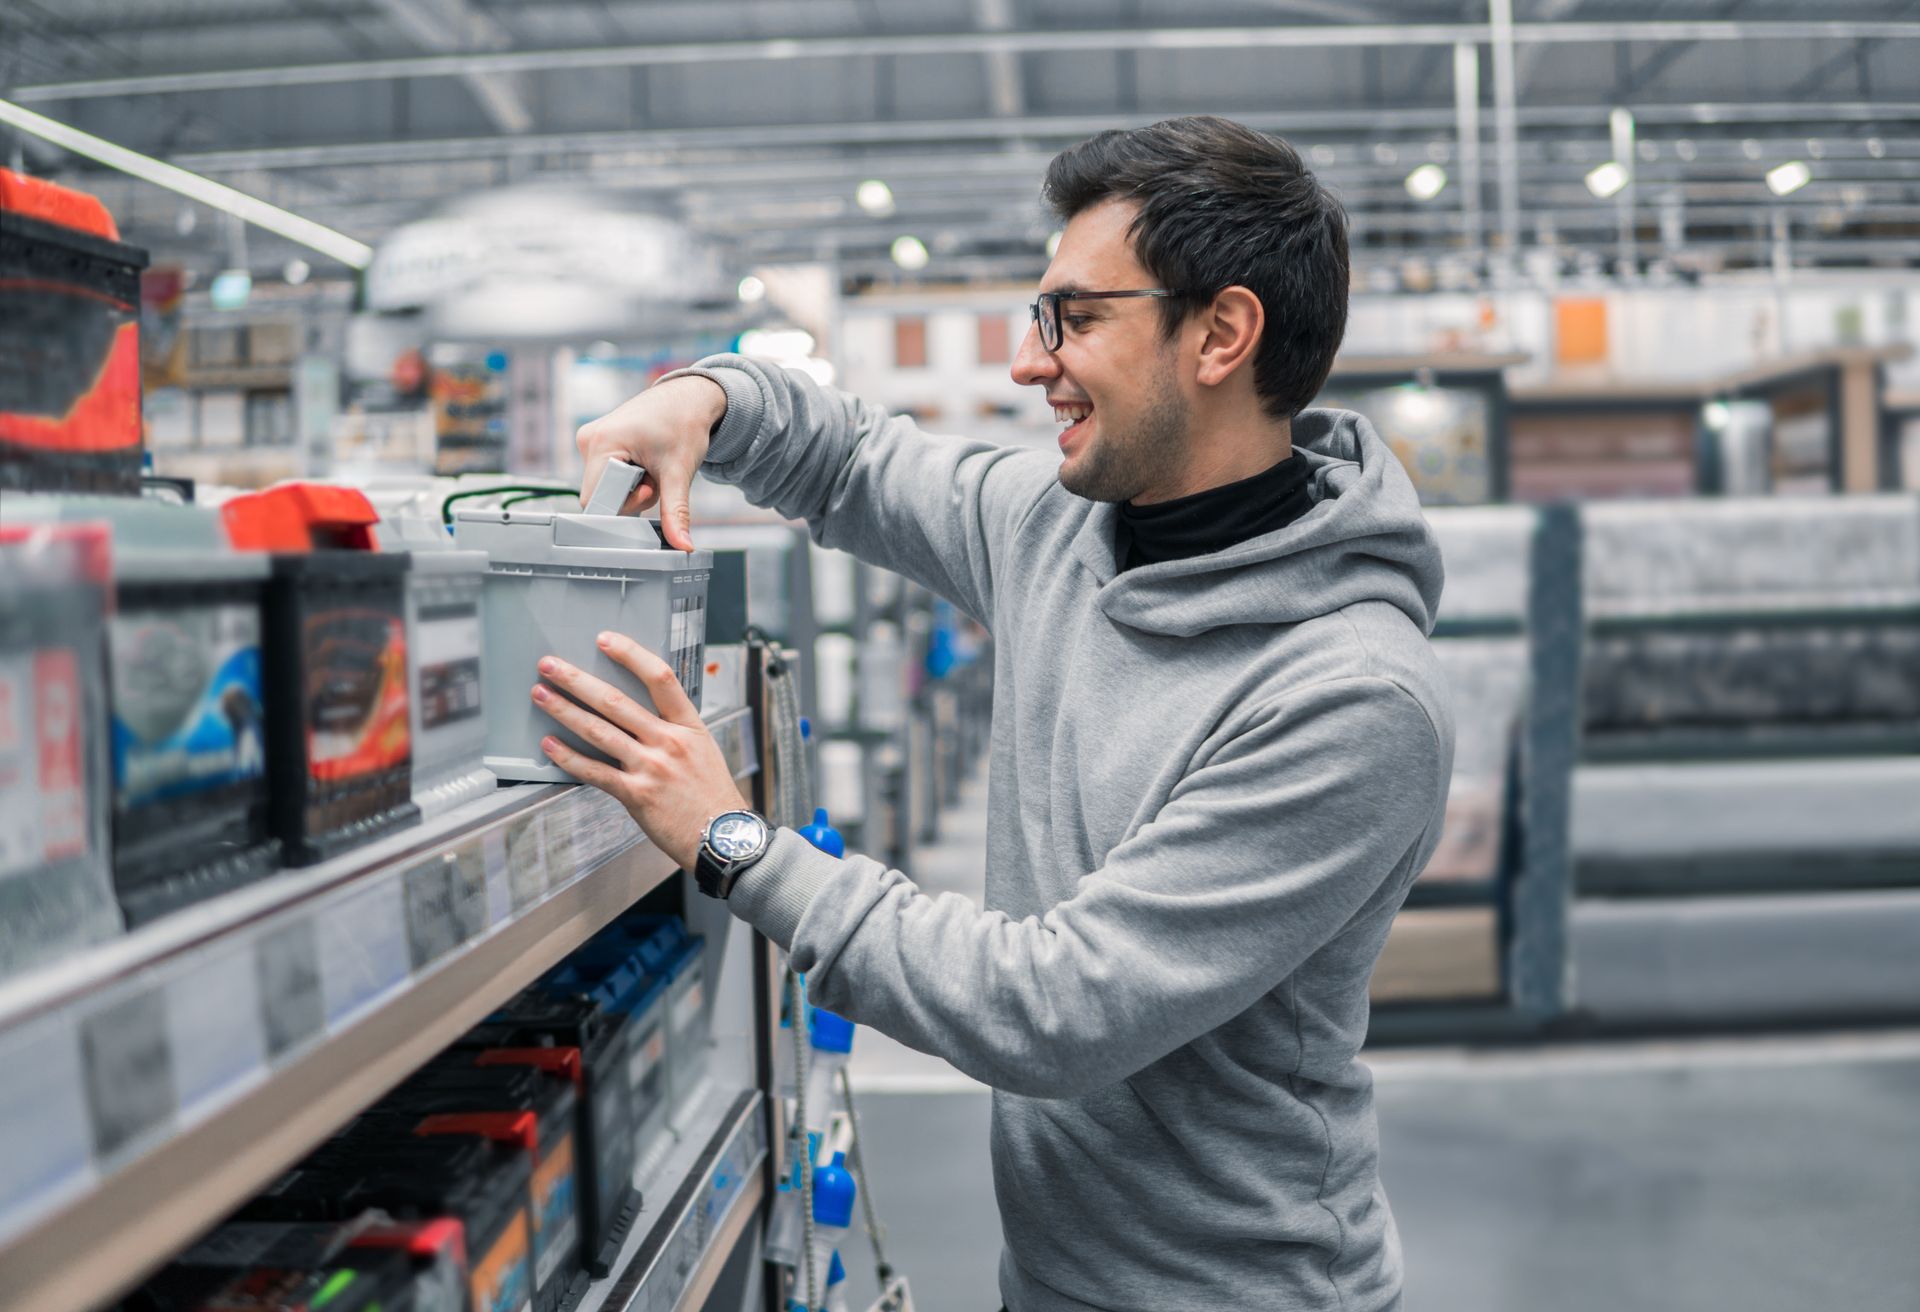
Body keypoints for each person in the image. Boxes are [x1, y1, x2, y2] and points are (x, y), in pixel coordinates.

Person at [533, 115, 1454, 1312]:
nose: (1032, 363)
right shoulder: (1058, 525)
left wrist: (733, 839)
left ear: (1221, 332)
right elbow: (853, 459)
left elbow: (1054, 1008)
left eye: (1075, 318)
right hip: (1055, 1278)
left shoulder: (1349, 697)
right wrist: (707, 398)